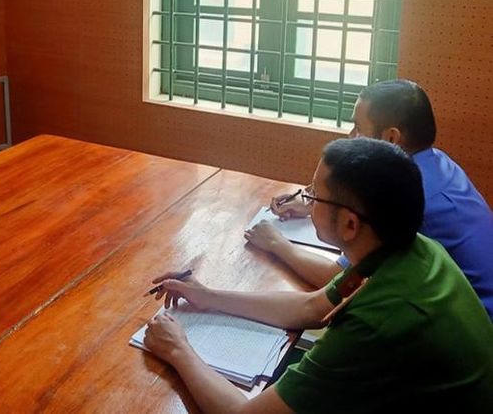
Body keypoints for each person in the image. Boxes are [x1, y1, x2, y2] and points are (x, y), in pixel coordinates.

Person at [144, 138, 493, 413]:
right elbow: (312, 306)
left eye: (315, 196)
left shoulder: (378, 323)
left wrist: (178, 349)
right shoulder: (413, 249)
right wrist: (208, 296)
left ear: (350, 224)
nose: (308, 202)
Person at [245, 79, 493, 318]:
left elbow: (338, 280)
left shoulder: (409, 197)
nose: (350, 136)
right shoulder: (435, 163)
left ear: (391, 139)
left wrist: (276, 243)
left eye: (358, 128)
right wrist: (316, 204)